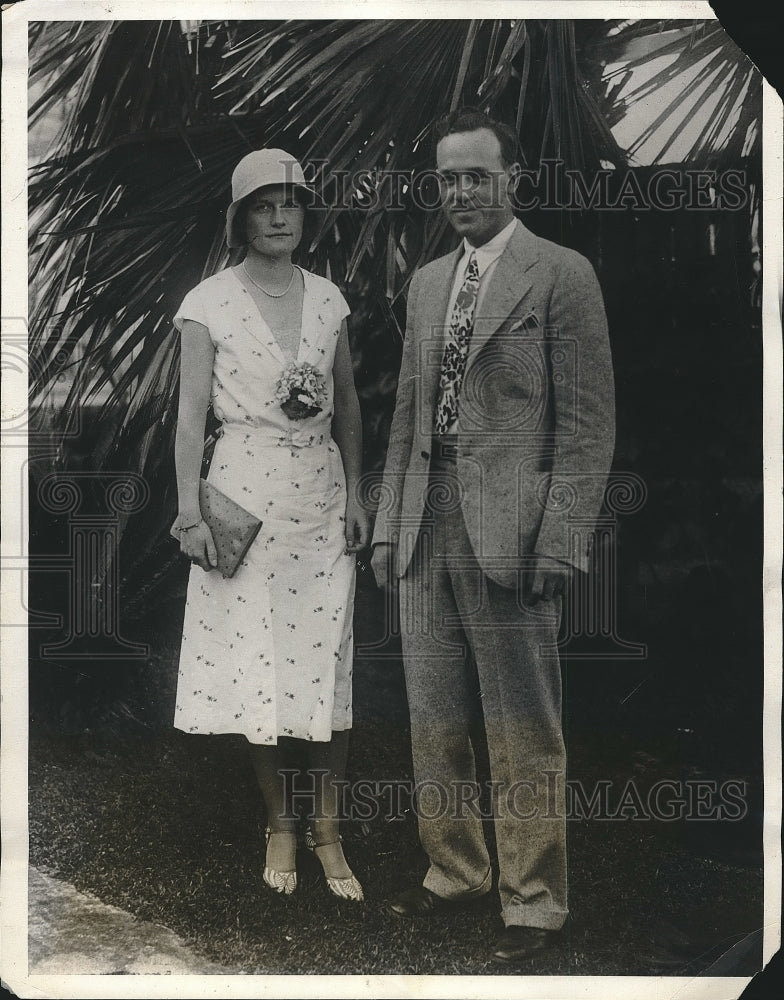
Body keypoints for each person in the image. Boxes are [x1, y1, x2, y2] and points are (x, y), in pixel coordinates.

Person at [371, 109, 615, 959]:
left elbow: (587, 425)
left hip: (512, 529)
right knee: (435, 718)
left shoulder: (561, 275)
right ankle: (456, 873)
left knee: (522, 726)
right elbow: (407, 413)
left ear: (513, 179)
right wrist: (389, 528)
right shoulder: (430, 282)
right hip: (427, 523)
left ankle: (535, 899)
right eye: (448, 178)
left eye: (478, 175)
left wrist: (561, 537)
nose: (462, 192)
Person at [172, 149, 368, 902]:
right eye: (264, 204)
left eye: (291, 202)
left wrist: (354, 494)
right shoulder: (207, 302)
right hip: (243, 498)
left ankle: (328, 831)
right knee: (258, 661)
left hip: (320, 497)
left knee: (328, 661)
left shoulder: (329, 299)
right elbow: (190, 416)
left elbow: (347, 403)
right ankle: (280, 825)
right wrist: (189, 507)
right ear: (240, 217)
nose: (280, 215)